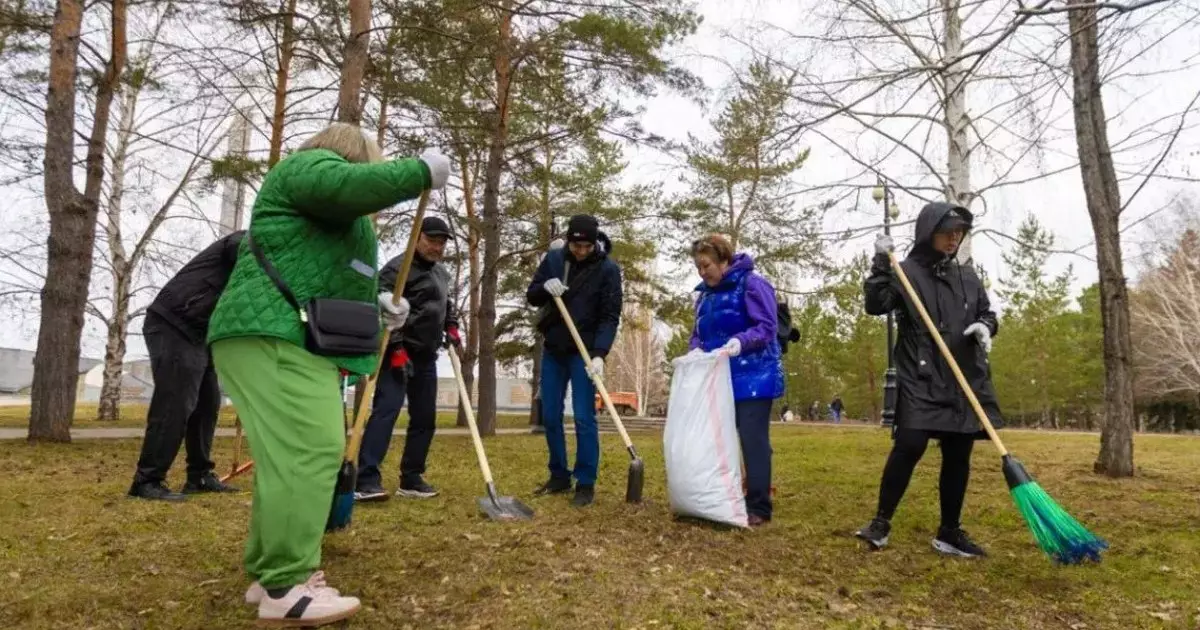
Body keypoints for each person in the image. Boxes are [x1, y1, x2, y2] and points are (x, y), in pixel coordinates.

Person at [206, 122, 449, 626]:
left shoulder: (329, 215)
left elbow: (328, 276)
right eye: (374, 164)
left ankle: (267, 572)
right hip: (274, 334)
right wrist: (418, 171)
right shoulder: (307, 169)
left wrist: (379, 305)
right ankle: (287, 585)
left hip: (276, 336)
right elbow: (344, 187)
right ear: (354, 156)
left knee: (285, 461)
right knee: (311, 451)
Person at [854, 202, 1001, 559]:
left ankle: (949, 531)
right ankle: (881, 522)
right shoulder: (905, 272)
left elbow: (986, 311)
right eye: (946, 232)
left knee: (958, 454)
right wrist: (879, 262)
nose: (953, 239)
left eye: (959, 233)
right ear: (927, 231)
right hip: (920, 375)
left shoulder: (967, 276)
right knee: (910, 444)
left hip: (962, 375)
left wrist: (987, 326)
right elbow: (876, 304)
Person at [127, 231, 245, 501]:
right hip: (173, 323)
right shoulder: (249, 241)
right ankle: (147, 481)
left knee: (207, 404)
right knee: (176, 403)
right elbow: (236, 247)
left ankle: (199, 476)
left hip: (200, 333)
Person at [354, 216, 460, 502]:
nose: (436, 247)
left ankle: (411, 478)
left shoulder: (441, 273)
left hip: (426, 355)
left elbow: (445, 304)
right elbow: (385, 309)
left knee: (425, 418)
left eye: (441, 243)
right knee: (386, 412)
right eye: (431, 240)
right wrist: (397, 348)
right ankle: (365, 479)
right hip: (397, 353)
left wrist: (451, 326)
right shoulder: (396, 269)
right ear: (417, 238)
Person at [525, 214, 623, 507]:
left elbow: (610, 315)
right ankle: (558, 475)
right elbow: (532, 296)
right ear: (569, 240)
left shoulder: (608, 270)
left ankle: (585, 481)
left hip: (585, 353)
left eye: (586, 246)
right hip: (555, 349)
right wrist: (545, 286)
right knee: (551, 414)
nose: (580, 251)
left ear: (595, 242)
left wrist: (599, 355)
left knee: (583, 416)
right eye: (575, 245)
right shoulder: (554, 260)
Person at [687, 234, 784, 527]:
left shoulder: (753, 284)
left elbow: (767, 326)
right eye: (698, 268)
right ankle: (727, 494)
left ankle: (759, 505)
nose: (703, 272)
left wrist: (740, 342)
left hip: (755, 373)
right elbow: (699, 334)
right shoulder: (704, 296)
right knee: (721, 438)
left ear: (724, 260)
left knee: (753, 439)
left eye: (707, 266)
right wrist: (694, 352)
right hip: (720, 376)